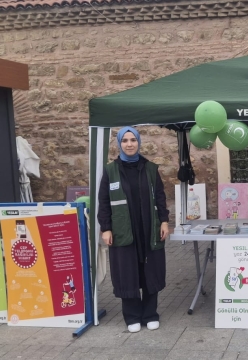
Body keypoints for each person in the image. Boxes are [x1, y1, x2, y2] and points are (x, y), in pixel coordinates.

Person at [98, 126, 170, 333]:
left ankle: (150, 314)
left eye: (133, 140)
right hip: (123, 230)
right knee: (127, 272)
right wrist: (106, 228)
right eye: (125, 141)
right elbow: (104, 202)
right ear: (119, 144)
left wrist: (164, 221)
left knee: (150, 270)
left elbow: (160, 196)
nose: (129, 144)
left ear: (139, 142)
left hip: (148, 228)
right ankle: (131, 316)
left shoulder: (150, 168)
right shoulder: (111, 170)